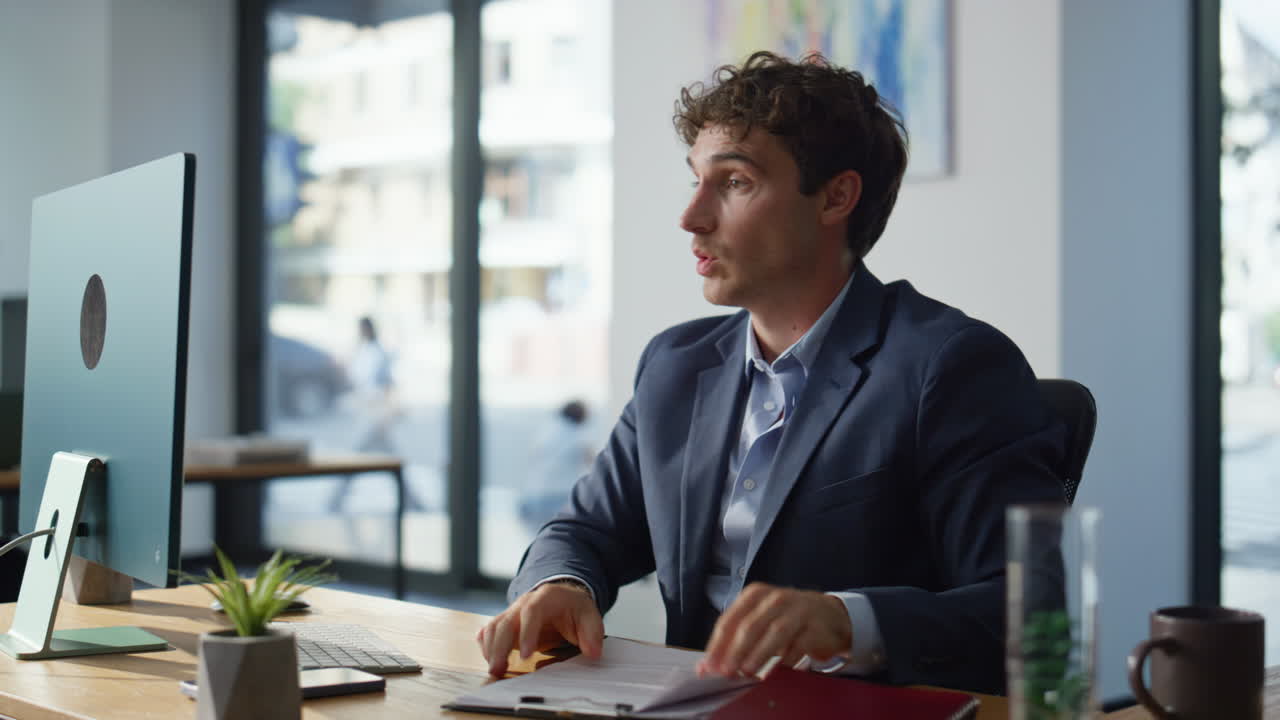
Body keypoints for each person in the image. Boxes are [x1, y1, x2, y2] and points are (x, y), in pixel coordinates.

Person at [476, 51, 1065, 694]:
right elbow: (585, 529)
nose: (691, 216)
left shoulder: (950, 366)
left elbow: (1029, 614)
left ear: (836, 197)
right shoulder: (676, 365)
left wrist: (847, 620)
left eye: (733, 183)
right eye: (696, 179)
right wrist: (561, 583)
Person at [517, 400, 595, 532]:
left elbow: (532, 459)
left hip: (532, 497)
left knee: (537, 544)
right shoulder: (578, 436)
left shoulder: (546, 431)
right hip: (559, 499)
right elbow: (594, 466)